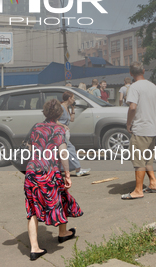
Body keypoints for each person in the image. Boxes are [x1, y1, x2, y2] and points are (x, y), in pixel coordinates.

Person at [24, 99, 82, 261]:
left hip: (32, 171)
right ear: (59, 113)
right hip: (50, 173)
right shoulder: (58, 129)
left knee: (32, 208)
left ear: (44, 112)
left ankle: (35, 248)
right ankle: (62, 232)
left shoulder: (36, 127)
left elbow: (29, 147)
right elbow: (63, 153)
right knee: (62, 197)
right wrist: (68, 174)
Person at [122, 62, 156, 200]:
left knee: (139, 160)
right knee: (147, 160)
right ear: (144, 71)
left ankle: (138, 190)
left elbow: (132, 107)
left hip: (141, 128)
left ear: (131, 74)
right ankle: (154, 183)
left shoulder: (134, 87)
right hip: (152, 128)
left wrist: (128, 123)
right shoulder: (153, 87)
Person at [59, 91, 91, 177]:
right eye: (73, 98)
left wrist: (73, 110)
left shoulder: (67, 107)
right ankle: (78, 169)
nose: (74, 100)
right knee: (70, 149)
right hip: (59, 132)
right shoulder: (61, 107)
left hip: (64, 133)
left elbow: (71, 120)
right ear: (69, 98)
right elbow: (54, 120)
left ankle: (60, 169)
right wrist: (63, 126)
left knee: (64, 151)